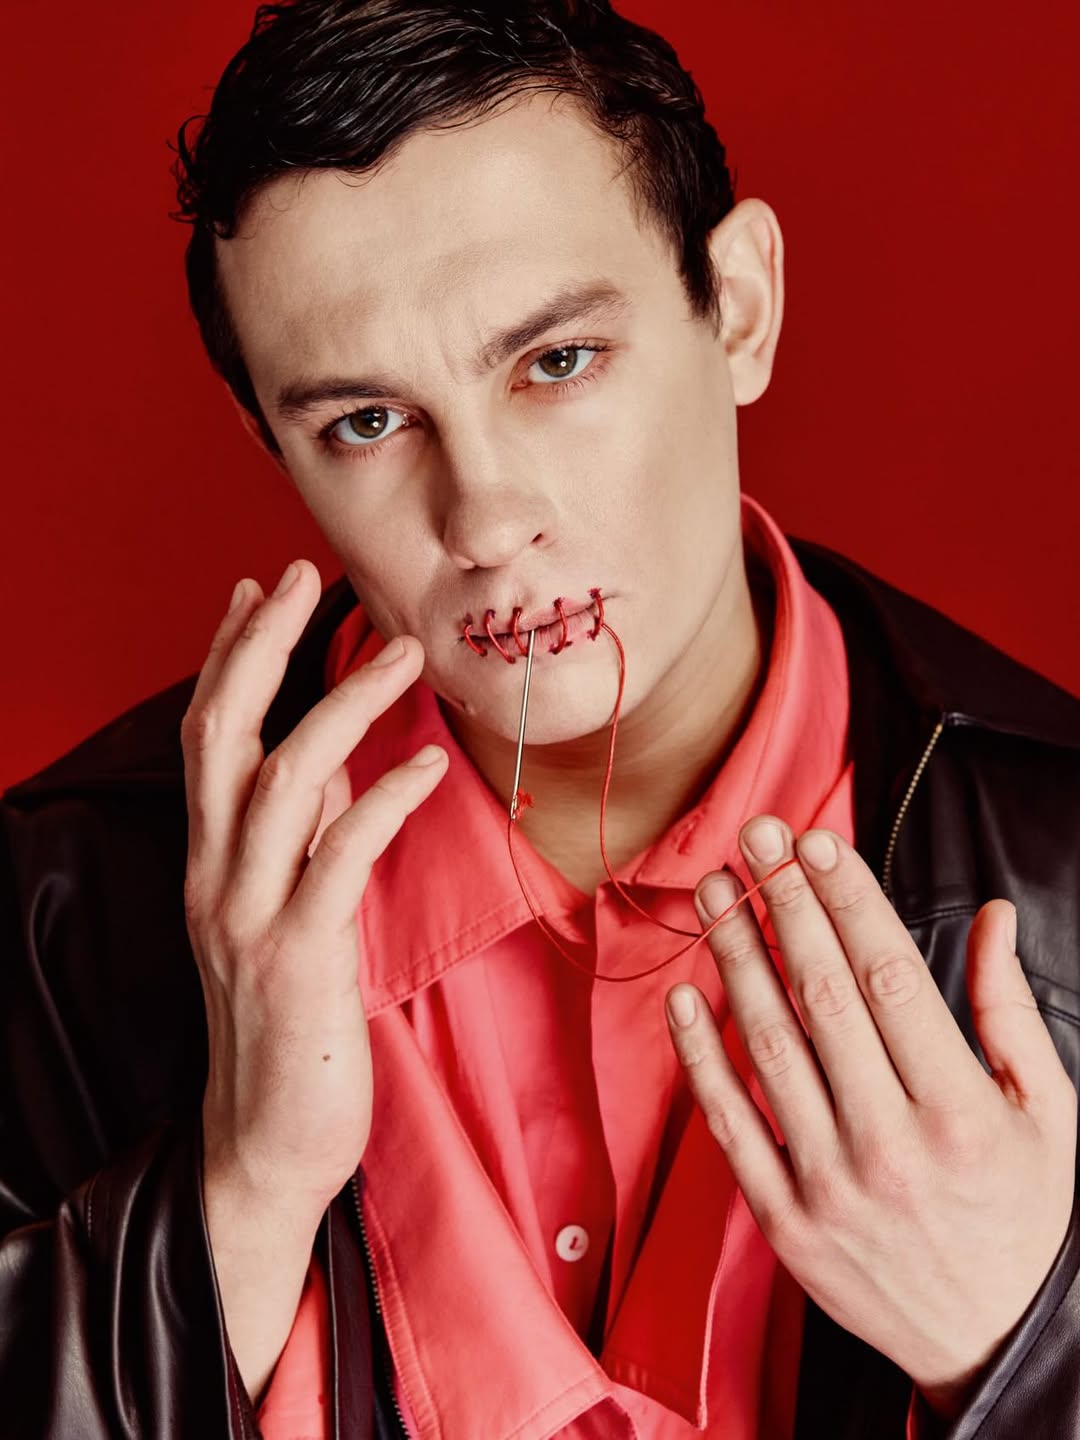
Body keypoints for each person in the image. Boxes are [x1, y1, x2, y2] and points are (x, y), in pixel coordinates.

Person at [2, 1, 1079, 1436]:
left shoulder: (1065, 873)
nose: (487, 520)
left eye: (557, 361)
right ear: (275, 447)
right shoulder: (59, 918)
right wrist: (237, 1203)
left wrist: (1027, 1348)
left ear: (739, 306)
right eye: (366, 424)